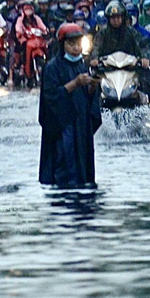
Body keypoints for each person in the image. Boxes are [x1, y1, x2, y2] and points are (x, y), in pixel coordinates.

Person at [39, 23, 101, 187]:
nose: (75, 48)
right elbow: (51, 97)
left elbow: (87, 100)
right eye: (71, 44)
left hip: (80, 124)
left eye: (78, 44)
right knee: (65, 165)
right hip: (63, 125)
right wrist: (75, 83)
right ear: (62, 45)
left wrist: (93, 87)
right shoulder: (52, 67)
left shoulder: (82, 65)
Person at [90, 0, 150, 70]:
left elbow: (142, 45)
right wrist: (94, 58)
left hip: (130, 69)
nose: (116, 20)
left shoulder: (132, 32)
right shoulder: (102, 33)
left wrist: (144, 57)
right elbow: (96, 47)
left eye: (118, 17)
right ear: (108, 19)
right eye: (113, 17)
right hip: (108, 71)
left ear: (123, 17)